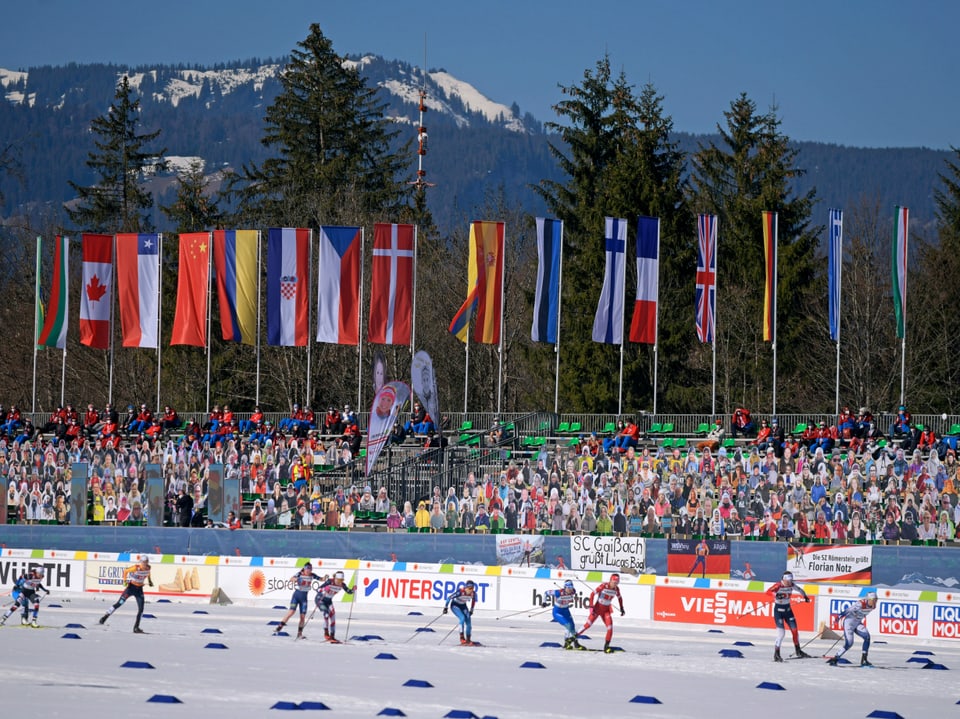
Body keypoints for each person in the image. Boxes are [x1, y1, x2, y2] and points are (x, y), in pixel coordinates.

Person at [766, 571, 811, 662]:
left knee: (795, 631)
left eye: (791, 580)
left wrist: (805, 596)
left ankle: (798, 650)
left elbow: (800, 590)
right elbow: (768, 592)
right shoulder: (779, 585)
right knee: (781, 633)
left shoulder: (791, 585)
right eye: (789, 580)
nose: (790, 582)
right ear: (784, 579)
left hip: (788, 611)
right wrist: (777, 595)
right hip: (779, 611)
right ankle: (776, 654)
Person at [99, 557, 153, 633]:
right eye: (143, 562)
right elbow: (125, 571)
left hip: (139, 590)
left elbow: (148, 574)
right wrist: (124, 581)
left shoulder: (148, 568)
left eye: (146, 562)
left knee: (141, 609)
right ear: (141, 562)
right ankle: (105, 616)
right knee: (119, 603)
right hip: (131, 588)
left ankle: (136, 627)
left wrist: (150, 581)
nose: (145, 563)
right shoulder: (136, 568)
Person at [827, 591, 878, 666]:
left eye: (876, 600)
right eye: (874, 600)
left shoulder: (873, 606)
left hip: (857, 623)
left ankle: (864, 659)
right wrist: (838, 617)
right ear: (869, 599)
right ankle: (835, 658)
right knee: (849, 644)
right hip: (849, 623)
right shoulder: (860, 604)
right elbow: (848, 610)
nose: (875, 602)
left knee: (867, 637)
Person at [577, 573, 624, 653]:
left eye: (617, 583)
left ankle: (606, 646)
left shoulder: (616, 589)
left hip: (606, 611)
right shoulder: (604, 586)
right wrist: (591, 606)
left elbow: (620, 598)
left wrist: (622, 608)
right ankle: (573, 638)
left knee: (610, 628)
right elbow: (592, 594)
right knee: (588, 625)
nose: (615, 584)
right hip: (597, 609)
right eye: (614, 582)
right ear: (610, 580)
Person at [273, 562, 315, 639]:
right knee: (291, 612)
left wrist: (325, 578)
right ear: (304, 569)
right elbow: (291, 579)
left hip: (304, 599)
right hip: (296, 596)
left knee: (302, 617)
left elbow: (321, 579)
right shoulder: (299, 573)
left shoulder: (312, 575)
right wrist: (297, 579)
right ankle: (279, 627)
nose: (309, 571)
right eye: (307, 569)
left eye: (310, 569)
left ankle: (299, 634)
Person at [314, 570, 355, 642]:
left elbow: (349, 591)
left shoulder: (342, 584)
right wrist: (324, 589)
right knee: (326, 614)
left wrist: (353, 590)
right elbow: (318, 589)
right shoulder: (329, 581)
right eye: (338, 580)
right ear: (335, 578)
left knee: (333, 617)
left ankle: (332, 636)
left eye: (341, 580)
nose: (340, 582)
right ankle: (326, 634)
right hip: (320, 599)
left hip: (329, 601)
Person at [541, 579, 582, 650]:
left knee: (572, 626)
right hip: (557, 612)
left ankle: (576, 643)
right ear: (565, 587)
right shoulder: (558, 592)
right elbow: (546, 593)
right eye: (568, 588)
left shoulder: (573, 591)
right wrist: (544, 602)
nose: (570, 589)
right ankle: (566, 643)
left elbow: (571, 597)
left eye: (571, 587)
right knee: (568, 625)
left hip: (566, 610)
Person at [443, 579, 478, 645]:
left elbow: (473, 602)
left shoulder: (473, 593)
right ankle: (462, 638)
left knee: (469, 623)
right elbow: (449, 598)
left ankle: (468, 639)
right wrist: (445, 608)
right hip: (455, 606)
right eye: (469, 588)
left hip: (463, 606)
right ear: (466, 587)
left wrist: (471, 610)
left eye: (472, 588)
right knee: (462, 618)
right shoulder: (460, 592)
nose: (471, 590)